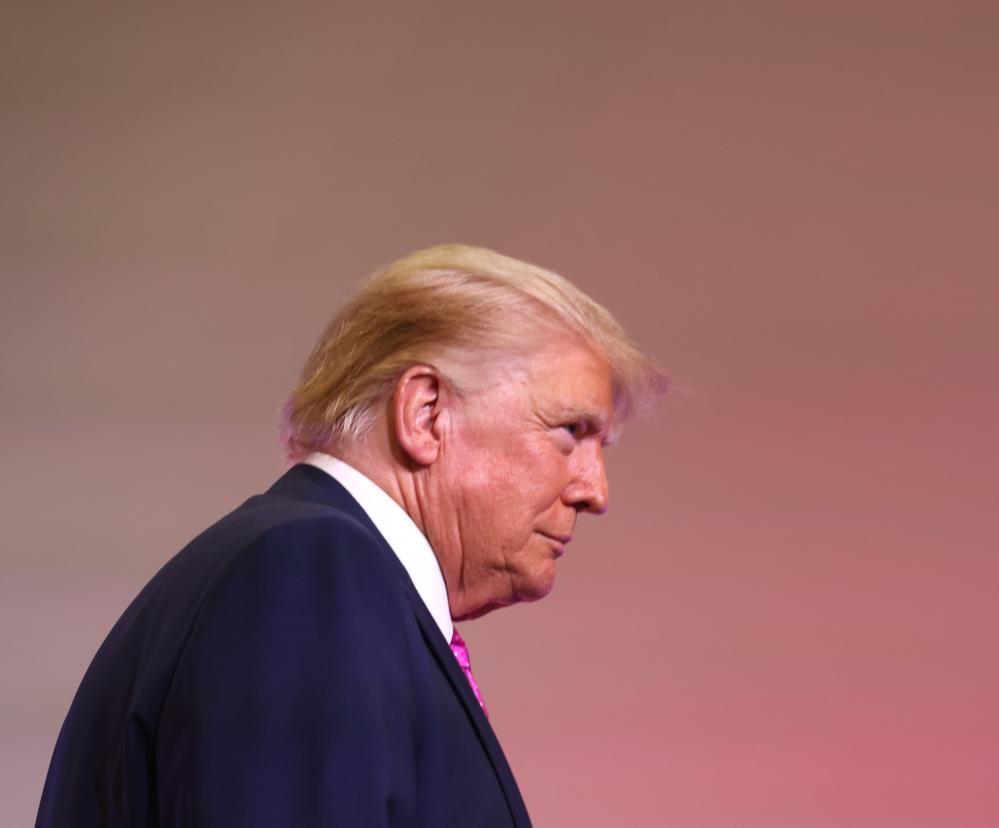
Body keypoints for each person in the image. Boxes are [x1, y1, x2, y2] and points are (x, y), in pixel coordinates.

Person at [35, 244, 668, 827]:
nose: (596, 491)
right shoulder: (308, 574)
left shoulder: (314, 577)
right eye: (570, 432)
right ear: (425, 414)